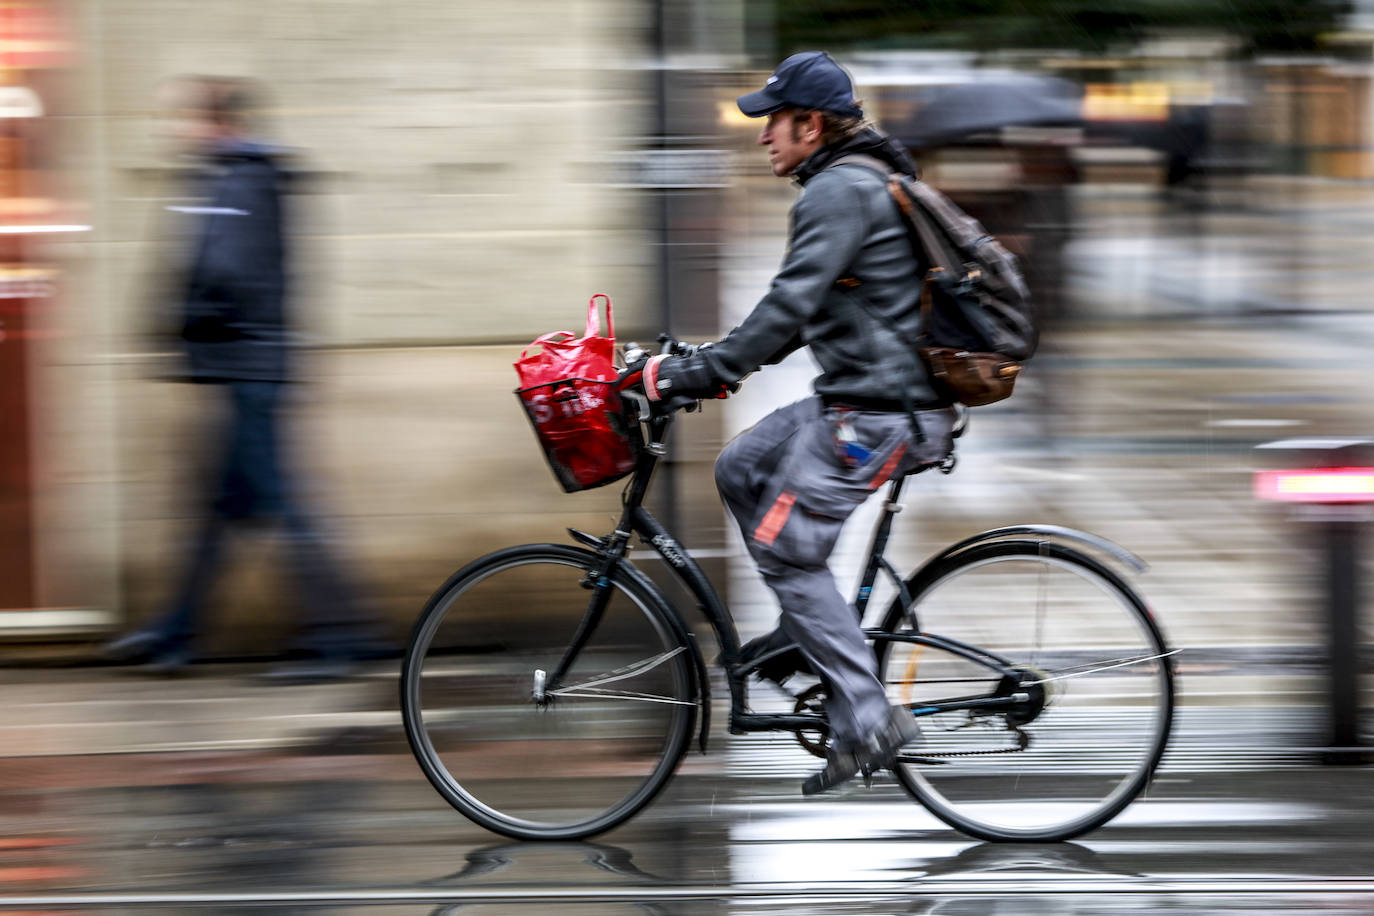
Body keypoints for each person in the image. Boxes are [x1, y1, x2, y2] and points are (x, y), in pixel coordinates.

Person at [635, 52, 958, 793]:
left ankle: (871, 717)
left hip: (879, 415)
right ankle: (812, 631)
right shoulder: (849, 181)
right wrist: (712, 361)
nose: (761, 137)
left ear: (811, 125)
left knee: (784, 548)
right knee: (740, 466)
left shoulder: (838, 192)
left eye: (772, 122)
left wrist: (701, 373)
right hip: (866, 397)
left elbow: (785, 304)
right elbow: (803, 314)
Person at [103, 76, 381, 682]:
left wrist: (187, 325)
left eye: (187, 118)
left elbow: (221, 266)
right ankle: (176, 632)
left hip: (252, 366)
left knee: (282, 504)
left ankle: (339, 636)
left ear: (215, 120)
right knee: (219, 507)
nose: (178, 130)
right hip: (247, 364)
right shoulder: (235, 173)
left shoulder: (241, 175)